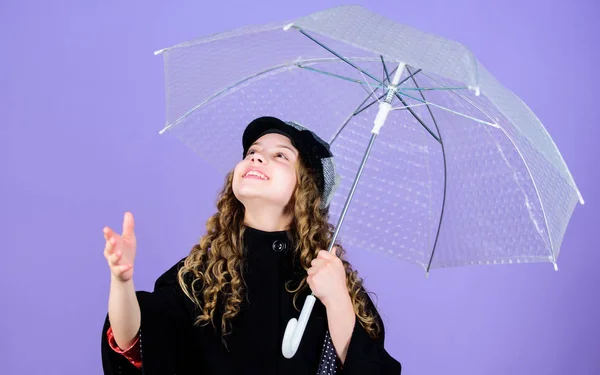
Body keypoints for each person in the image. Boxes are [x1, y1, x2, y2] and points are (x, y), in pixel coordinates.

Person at [101, 116, 402, 374]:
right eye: (253, 151)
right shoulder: (201, 276)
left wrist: (337, 301)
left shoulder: (329, 280)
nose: (256, 157)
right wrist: (121, 281)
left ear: (305, 189)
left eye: (281, 156)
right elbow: (137, 344)